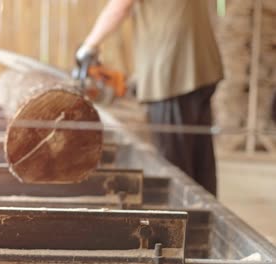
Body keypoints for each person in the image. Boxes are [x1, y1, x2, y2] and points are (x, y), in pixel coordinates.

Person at [76, 0, 223, 196]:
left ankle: (187, 221)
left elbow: (120, 7)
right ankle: (206, 221)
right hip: (200, 65)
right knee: (200, 162)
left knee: (175, 169)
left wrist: (88, 47)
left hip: (172, 72)